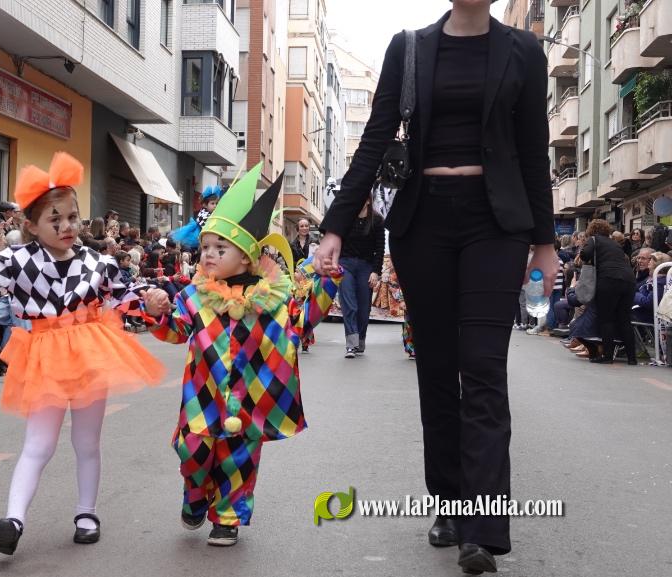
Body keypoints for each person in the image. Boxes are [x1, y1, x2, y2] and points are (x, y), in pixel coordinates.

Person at [312, 1, 559, 572]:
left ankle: (483, 526)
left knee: (483, 366)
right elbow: (374, 139)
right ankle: (449, 504)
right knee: (437, 368)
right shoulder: (410, 46)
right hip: (423, 224)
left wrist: (543, 241)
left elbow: (531, 148)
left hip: (496, 225)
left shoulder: (523, 50)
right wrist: (335, 227)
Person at [0, 152, 165, 556]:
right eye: (56, 220)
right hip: (43, 354)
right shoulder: (16, 262)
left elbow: (125, 295)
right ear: (31, 226)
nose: (67, 226)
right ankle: (13, 519)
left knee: (87, 441)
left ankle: (87, 513)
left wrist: (151, 299)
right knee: (39, 443)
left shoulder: (98, 262)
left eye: (73, 217)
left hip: (89, 349)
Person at [143, 166, 341, 547]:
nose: (210, 255)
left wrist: (327, 281)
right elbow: (174, 330)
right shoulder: (195, 296)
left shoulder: (273, 300)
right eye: (205, 248)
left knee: (239, 457)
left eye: (221, 249)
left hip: (250, 397)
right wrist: (157, 312)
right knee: (193, 450)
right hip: (201, 398)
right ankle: (196, 495)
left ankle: (227, 518)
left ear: (248, 258)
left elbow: (303, 320)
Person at [579, 219, 636, 364]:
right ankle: (632, 358)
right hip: (629, 279)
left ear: (591, 229)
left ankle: (608, 356)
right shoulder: (615, 243)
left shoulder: (593, 239)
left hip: (609, 280)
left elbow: (585, 254)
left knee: (606, 318)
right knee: (624, 319)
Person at [338, 199, 385, 357]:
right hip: (346, 265)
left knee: (364, 309)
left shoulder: (377, 220)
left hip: (366, 266)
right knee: (349, 305)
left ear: (368, 200)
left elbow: (380, 248)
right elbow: (337, 240)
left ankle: (360, 339)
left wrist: (375, 272)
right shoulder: (346, 217)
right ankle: (351, 344)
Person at [170, 185, 222, 249]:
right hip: (200, 236)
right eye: (212, 203)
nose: (215, 206)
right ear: (205, 205)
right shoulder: (204, 214)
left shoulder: (211, 213)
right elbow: (208, 226)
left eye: (216, 203)